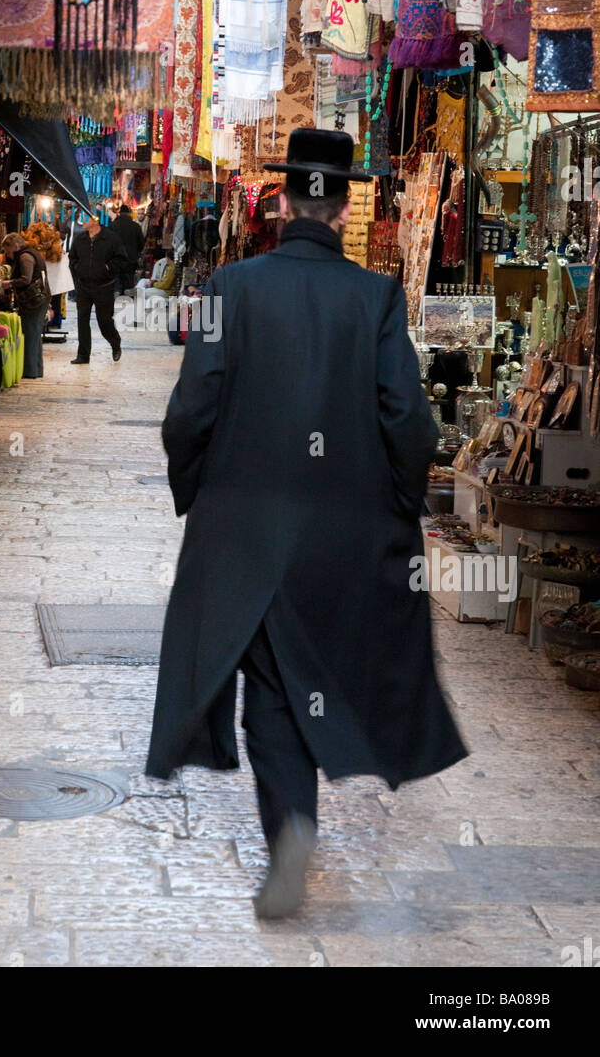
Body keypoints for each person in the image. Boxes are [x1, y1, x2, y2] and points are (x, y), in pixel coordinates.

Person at [147, 128, 467, 920]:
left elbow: (189, 412)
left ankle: (289, 825)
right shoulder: (375, 298)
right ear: (344, 205)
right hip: (343, 536)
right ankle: (298, 821)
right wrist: (397, 501)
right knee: (315, 675)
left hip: (246, 531)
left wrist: (199, 495)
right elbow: (409, 423)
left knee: (272, 688)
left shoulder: (228, 289)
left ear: (283, 200)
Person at [68, 215, 128, 363]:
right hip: (84, 286)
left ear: (95, 221)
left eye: (86, 218)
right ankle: (83, 355)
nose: (82, 220)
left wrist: (107, 268)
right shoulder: (80, 239)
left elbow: (121, 259)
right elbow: (72, 259)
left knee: (104, 321)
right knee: (82, 320)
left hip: (104, 287)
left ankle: (115, 343)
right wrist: (78, 270)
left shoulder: (111, 238)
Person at [0, 231, 51, 379]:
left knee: (30, 334)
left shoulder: (25, 257)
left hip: (34, 300)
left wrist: (9, 283)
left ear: (16, 246)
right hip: (39, 298)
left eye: (8, 252)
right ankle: (36, 369)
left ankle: (29, 371)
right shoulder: (30, 253)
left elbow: (26, 279)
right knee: (34, 334)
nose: (8, 255)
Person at [111, 202, 145, 293]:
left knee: (117, 279)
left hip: (116, 258)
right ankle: (128, 295)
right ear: (129, 214)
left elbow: (109, 242)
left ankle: (117, 292)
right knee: (129, 280)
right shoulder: (135, 226)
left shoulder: (113, 225)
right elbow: (141, 243)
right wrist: (137, 252)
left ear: (119, 213)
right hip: (131, 258)